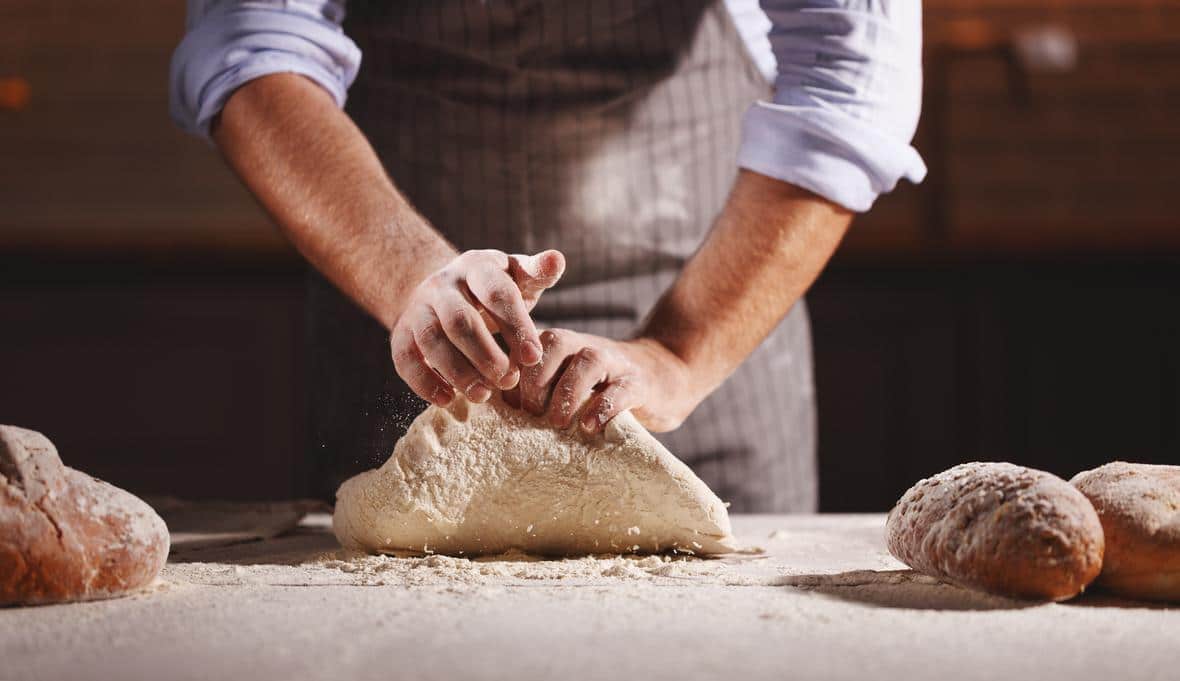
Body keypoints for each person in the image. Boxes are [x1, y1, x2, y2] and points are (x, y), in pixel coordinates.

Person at [170, 0, 925, 512]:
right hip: (403, 337)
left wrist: (677, 353)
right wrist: (411, 280)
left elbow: (851, 79)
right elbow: (252, 43)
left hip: (711, 327)